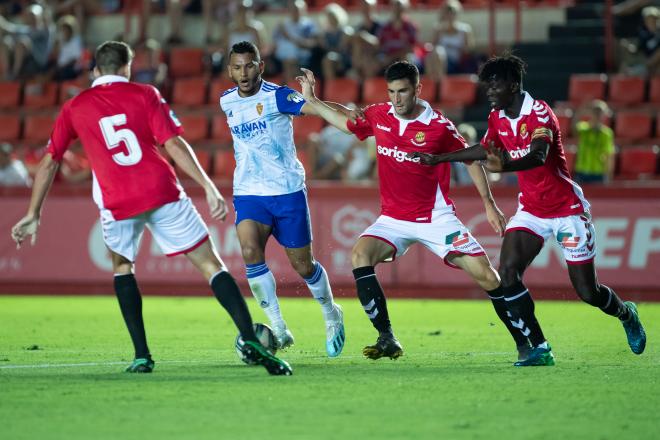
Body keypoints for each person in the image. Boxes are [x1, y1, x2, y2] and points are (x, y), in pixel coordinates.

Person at [10, 40, 292, 376]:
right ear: (127, 67)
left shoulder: (75, 106)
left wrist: (33, 212)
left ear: (96, 70)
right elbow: (173, 143)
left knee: (122, 267)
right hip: (161, 190)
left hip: (117, 200)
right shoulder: (145, 94)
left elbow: (50, 161)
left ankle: (142, 355)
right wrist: (207, 186)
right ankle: (251, 340)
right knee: (210, 265)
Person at [409, 54, 647, 366]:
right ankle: (539, 347)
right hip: (532, 210)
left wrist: (505, 165)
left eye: (495, 85)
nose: (490, 91)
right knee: (507, 272)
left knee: (588, 292)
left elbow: (538, 155)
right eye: (487, 85)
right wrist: (439, 159)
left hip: (566, 210)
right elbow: (486, 149)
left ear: (514, 84)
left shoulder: (539, 113)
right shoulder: (497, 116)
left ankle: (625, 313)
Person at [297, 62, 538, 363]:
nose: (396, 99)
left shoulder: (438, 126)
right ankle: (386, 337)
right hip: (394, 219)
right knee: (360, 255)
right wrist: (313, 100)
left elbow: (471, 160)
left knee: (487, 276)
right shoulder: (380, 115)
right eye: (392, 92)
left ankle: (524, 342)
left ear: (418, 89)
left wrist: (489, 204)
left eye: (403, 92)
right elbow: (345, 119)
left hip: (435, 218)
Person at [219, 41, 345, 357]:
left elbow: (312, 108)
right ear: (230, 70)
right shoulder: (227, 101)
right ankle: (278, 327)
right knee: (249, 251)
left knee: (303, 266)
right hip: (249, 192)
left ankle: (331, 313)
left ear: (260, 67)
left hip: (287, 190)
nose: (244, 72)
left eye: (250, 65)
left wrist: (314, 99)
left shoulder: (277, 97)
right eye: (237, 67)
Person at [425, 0, 476, 80]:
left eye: (452, 11)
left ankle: (439, 85)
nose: (450, 14)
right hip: (438, 60)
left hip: (455, 63)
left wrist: (454, 47)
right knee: (432, 56)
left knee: (438, 53)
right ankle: (432, 85)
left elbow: (469, 50)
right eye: (447, 11)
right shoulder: (438, 29)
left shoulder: (465, 30)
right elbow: (432, 47)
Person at [573, 100, 615, 184]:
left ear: (604, 115)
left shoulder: (607, 134)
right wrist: (580, 112)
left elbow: (609, 156)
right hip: (581, 172)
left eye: (600, 113)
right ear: (591, 114)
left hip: (598, 173)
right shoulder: (583, 129)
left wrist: (609, 175)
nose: (598, 115)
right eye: (595, 112)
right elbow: (572, 130)